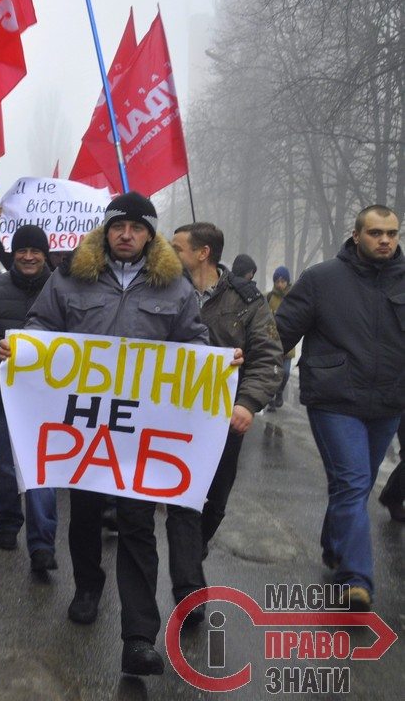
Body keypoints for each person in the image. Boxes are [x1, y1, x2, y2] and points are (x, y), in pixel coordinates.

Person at [0, 192, 222, 676]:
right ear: (105, 230)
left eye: (137, 227)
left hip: (140, 434)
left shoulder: (175, 287)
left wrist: (215, 367)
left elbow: (195, 344)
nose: (126, 234)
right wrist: (23, 350)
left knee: (138, 526)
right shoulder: (69, 277)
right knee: (84, 515)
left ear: (150, 235)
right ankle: (87, 586)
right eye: (118, 226)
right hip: (85, 430)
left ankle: (139, 636)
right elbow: (40, 325)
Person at [273, 204, 405, 611]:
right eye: (375, 233)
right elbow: (279, 333)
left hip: (389, 401)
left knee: (358, 483)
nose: (384, 240)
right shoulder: (322, 279)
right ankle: (356, 578)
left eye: (392, 233)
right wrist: (243, 367)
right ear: (356, 235)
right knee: (352, 481)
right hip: (335, 400)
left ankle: (335, 544)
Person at [168, 223, 282, 621]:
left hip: (223, 416)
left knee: (215, 499)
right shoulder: (162, 287)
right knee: (182, 500)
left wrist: (247, 404)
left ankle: (194, 547)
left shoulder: (247, 299)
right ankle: (189, 587)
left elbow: (268, 355)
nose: (169, 252)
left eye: (177, 247)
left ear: (203, 254)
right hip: (169, 414)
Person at [0, 224, 58, 571]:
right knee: (6, 464)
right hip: (2, 393)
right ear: (13, 253)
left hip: (50, 395)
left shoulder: (64, 289)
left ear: (45, 254)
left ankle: (42, 544)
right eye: (22, 250)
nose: (29, 256)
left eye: (35, 250)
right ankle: (8, 522)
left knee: (43, 467)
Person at [265, 266, 295, 410]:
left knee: (286, 372)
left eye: (283, 281)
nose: (280, 284)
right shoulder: (269, 297)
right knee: (272, 372)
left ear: (287, 282)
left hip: (288, 341)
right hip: (272, 340)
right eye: (277, 281)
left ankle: (280, 392)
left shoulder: (293, 297)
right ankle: (270, 399)